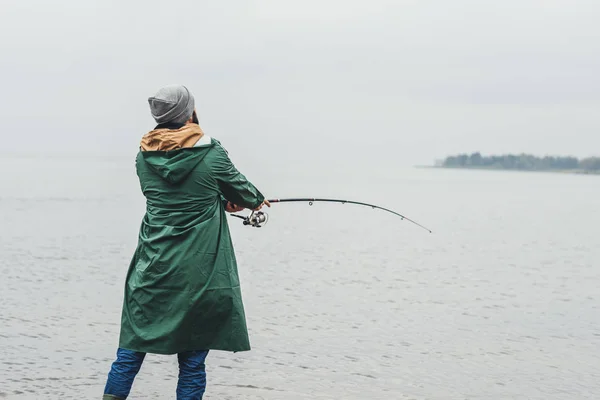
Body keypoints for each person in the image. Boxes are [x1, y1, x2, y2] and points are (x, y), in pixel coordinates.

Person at [102, 84, 269, 400]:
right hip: (199, 276)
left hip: (151, 271)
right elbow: (248, 195)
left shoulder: (143, 157)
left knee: (129, 354)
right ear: (189, 112)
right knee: (192, 365)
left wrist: (217, 199)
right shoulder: (211, 153)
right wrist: (241, 202)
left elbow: (177, 196)